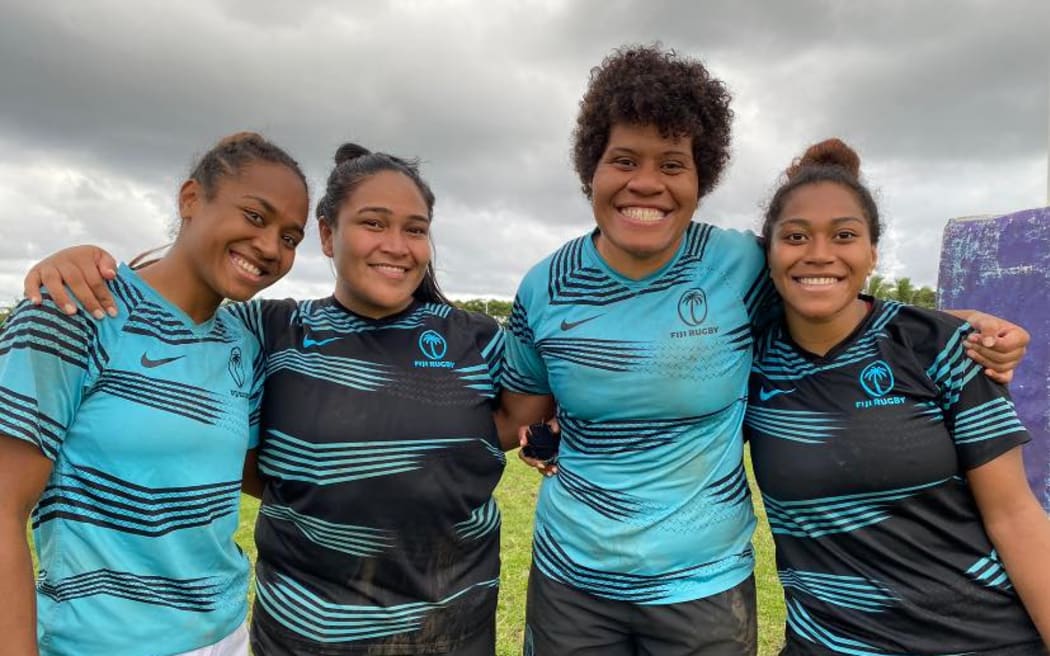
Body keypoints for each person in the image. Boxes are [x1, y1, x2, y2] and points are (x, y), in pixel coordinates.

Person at [501, 45, 1031, 656]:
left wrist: (961, 325)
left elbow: (831, 286)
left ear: (701, 178)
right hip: (571, 581)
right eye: (624, 160)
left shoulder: (741, 264)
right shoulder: (544, 286)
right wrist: (535, 440)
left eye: (673, 164)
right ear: (590, 168)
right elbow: (524, 412)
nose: (646, 182)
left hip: (705, 587)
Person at [22, 144, 509, 656]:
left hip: (451, 634)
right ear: (327, 235)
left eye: (415, 229)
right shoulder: (269, 330)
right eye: (373, 223)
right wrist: (83, 260)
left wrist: (547, 439)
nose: (396, 245)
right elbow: (181, 291)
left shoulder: (476, 338)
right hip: (301, 637)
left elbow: (539, 413)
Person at [0, 132, 311, 656]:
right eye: (256, 217)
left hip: (227, 635)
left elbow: (251, 475)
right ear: (191, 199)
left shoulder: (242, 340)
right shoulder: (76, 310)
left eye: (290, 237)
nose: (270, 248)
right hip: (97, 643)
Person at [746, 138, 1050, 655]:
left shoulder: (942, 348)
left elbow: (1015, 515)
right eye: (796, 236)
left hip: (981, 641)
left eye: (844, 235)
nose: (819, 253)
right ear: (769, 252)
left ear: (871, 253)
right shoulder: (745, 364)